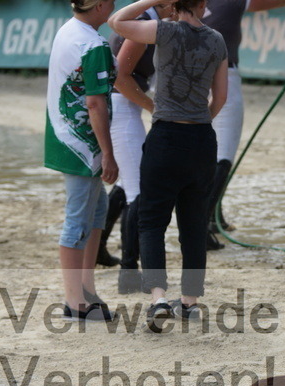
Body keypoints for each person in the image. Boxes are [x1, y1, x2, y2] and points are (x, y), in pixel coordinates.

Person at [109, 0, 228, 331]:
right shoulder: (217, 40)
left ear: (175, 5)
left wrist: (149, 0)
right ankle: (189, 304)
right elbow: (220, 98)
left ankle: (158, 298)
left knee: (152, 221)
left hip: (166, 136)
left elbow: (116, 22)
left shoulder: (164, 31)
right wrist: (200, 122)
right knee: (193, 224)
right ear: (203, 3)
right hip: (201, 139)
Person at [45, 0, 119, 321]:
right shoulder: (94, 44)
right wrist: (109, 153)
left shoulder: (69, 30)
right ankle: (75, 301)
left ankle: (85, 290)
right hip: (82, 143)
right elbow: (95, 104)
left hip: (63, 134)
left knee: (96, 211)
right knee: (78, 220)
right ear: (101, 5)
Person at [202, 0, 285, 238]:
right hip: (224, 73)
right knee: (223, 153)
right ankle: (203, 223)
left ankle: (213, 215)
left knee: (201, 152)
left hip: (184, 76)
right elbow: (266, 3)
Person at [108, 2, 174, 292]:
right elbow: (120, 77)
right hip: (121, 107)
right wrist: (153, 106)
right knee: (138, 193)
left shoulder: (148, 19)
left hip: (123, 107)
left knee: (126, 184)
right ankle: (128, 271)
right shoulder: (143, 22)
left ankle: (102, 249)